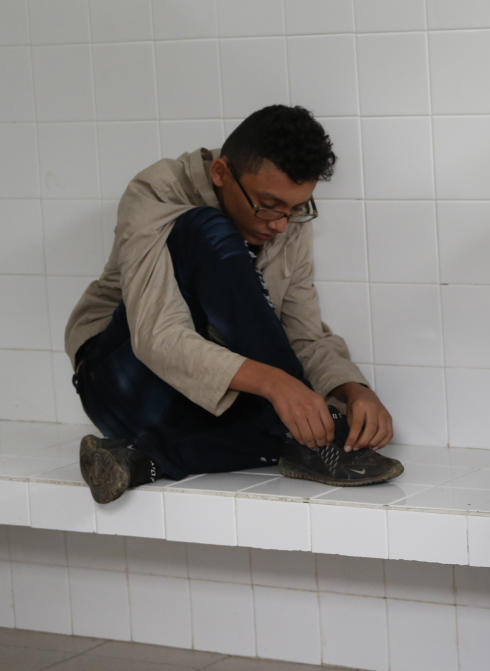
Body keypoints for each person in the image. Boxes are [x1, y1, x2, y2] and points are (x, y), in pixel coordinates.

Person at [66, 104, 403, 504]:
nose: (279, 223)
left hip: (200, 400)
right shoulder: (156, 191)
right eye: (268, 204)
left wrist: (353, 391)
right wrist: (279, 385)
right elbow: (156, 337)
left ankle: (142, 460)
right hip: (120, 379)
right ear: (221, 174)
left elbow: (302, 335)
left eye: (296, 208)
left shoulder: (288, 222)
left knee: (289, 419)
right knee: (205, 229)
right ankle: (309, 436)